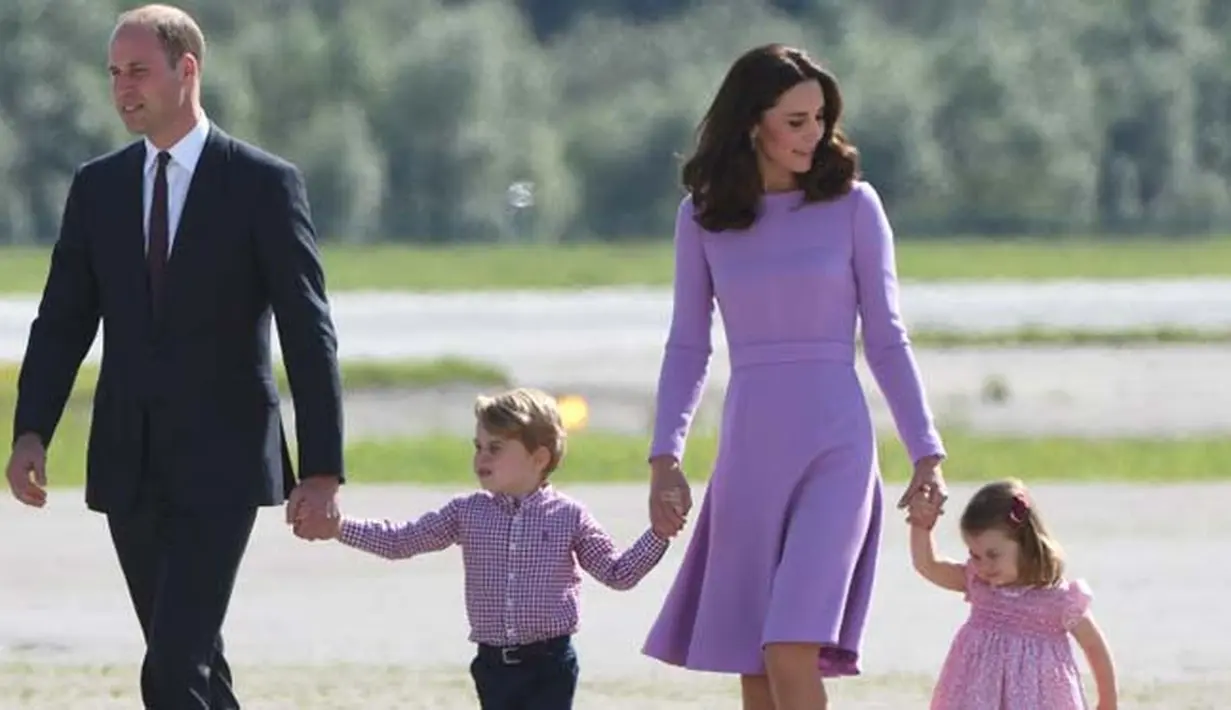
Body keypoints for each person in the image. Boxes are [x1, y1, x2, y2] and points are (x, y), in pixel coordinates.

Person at [3, 5, 345, 708]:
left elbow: (308, 330)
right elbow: (63, 320)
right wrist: (31, 429)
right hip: (130, 461)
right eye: (113, 74)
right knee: (189, 662)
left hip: (223, 463)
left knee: (172, 664)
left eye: (138, 71)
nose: (123, 88)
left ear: (187, 70)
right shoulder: (97, 187)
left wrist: (320, 469)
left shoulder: (261, 184)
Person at [640, 43, 950, 710]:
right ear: (753, 122)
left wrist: (926, 452)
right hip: (750, 449)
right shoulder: (700, 218)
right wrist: (664, 456)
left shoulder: (854, 206)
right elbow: (687, 344)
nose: (814, 133)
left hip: (836, 445)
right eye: (795, 120)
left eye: (819, 118)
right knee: (753, 660)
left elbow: (887, 339)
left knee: (788, 645)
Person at [295, 387, 673, 710]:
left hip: (550, 663)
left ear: (539, 458)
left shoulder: (569, 516)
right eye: (478, 447)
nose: (481, 458)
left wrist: (659, 533)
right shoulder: (466, 512)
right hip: (493, 665)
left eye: (495, 448)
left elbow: (618, 574)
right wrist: (339, 527)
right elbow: (401, 540)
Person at [906, 479, 1119, 709]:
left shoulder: (1058, 600)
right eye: (975, 556)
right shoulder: (979, 583)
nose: (984, 565)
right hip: (976, 697)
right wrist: (921, 526)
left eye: (993, 554)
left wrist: (1108, 700)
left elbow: (1094, 646)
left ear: (1025, 542)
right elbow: (928, 565)